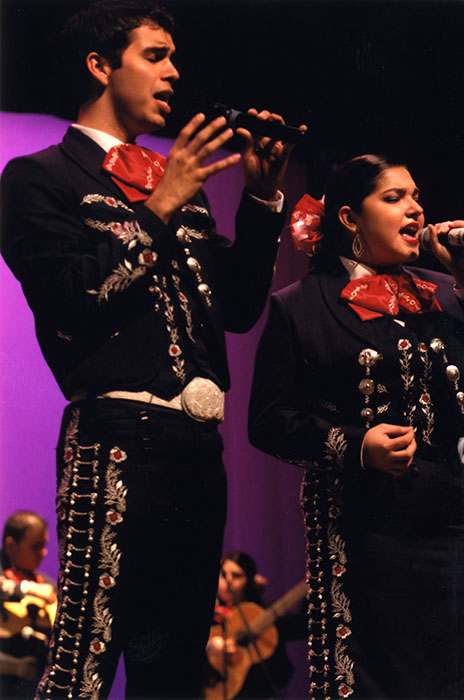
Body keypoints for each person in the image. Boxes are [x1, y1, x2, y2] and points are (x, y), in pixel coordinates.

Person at [0, 0, 299, 697]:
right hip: (117, 439)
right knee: (86, 652)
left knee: (174, 666)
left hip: (197, 447)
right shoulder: (39, 176)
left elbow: (238, 309)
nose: (174, 73)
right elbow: (74, 297)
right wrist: (160, 206)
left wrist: (259, 201)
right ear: (100, 66)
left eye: (174, 58)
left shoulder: (175, 188)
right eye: (155, 55)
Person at [248, 154, 464, 699]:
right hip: (366, 531)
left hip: (452, 525)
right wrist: (354, 446)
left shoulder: (444, 293)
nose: (415, 208)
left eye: (416, 196)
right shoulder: (301, 307)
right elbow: (268, 420)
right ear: (349, 218)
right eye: (394, 198)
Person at [205, 552, 297, 700]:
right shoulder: (207, 614)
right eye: (223, 575)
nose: (227, 582)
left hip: (259, 691)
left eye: (236, 576)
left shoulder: (262, 610)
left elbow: (298, 627)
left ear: (249, 580)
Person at [0, 511, 57, 698]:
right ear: (11, 545)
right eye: (35, 546)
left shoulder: (47, 586)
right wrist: (27, 588)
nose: (43, 553)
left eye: (43, 546)